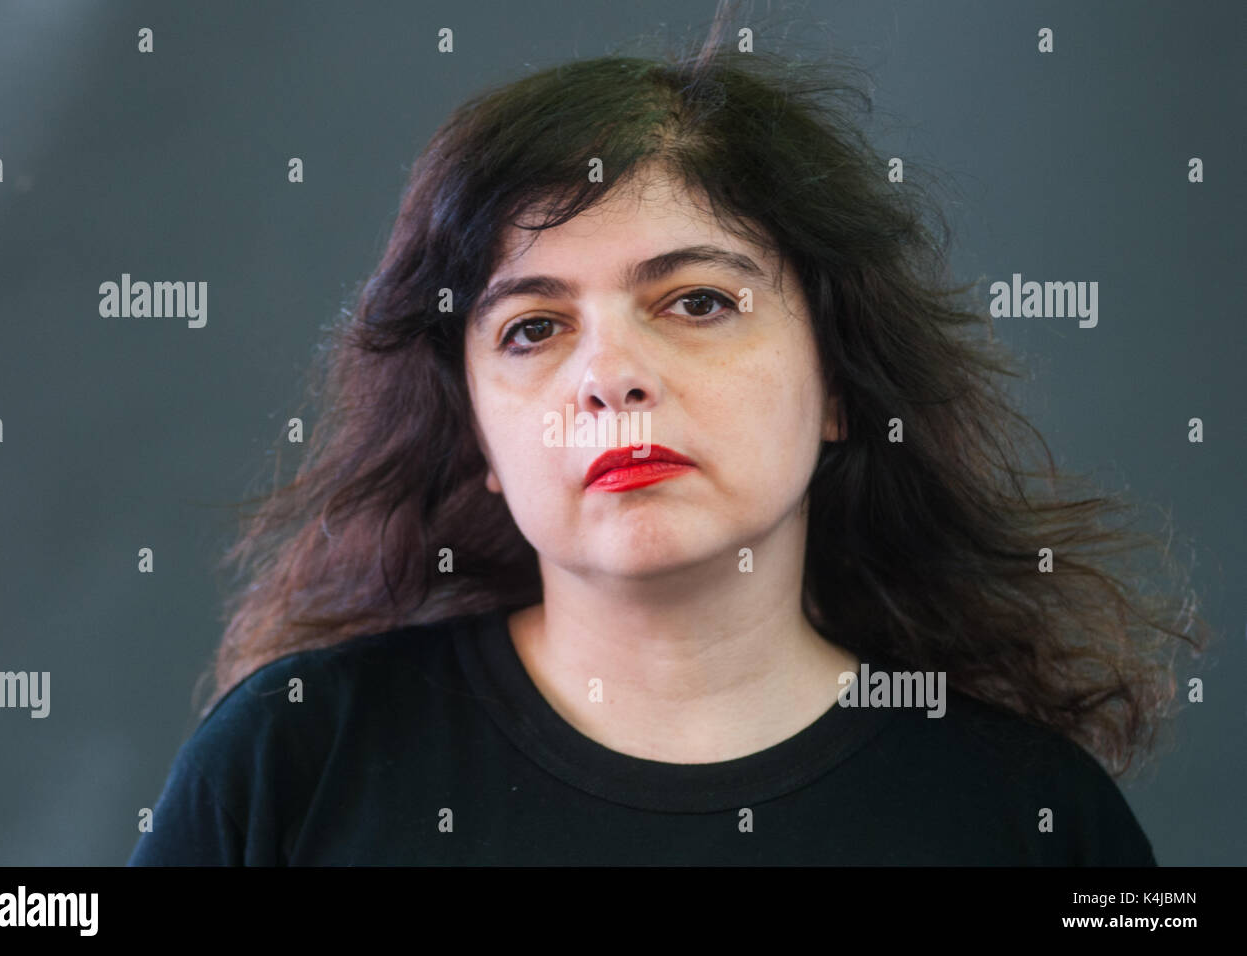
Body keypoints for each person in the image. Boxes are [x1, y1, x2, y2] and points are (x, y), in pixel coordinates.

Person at [128, 36, 1207, 866]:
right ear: (480, 436)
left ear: (839, 384)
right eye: (533, 328)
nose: (611, 374)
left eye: (695, 300)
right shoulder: (296, 762)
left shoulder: (1029, 814)